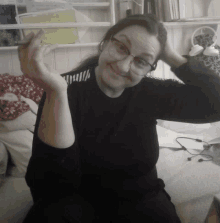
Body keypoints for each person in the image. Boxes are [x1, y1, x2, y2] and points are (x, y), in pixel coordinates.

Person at [19, 14, 220, 223]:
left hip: (142, 199)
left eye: (142, 61)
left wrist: (169, 54)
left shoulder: (150, 91)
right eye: (122, 47)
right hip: (76, 203)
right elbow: (48, 186)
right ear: (106, 42)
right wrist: (56, 94)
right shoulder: (65, 88)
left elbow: (216, 103)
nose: (124, 66)